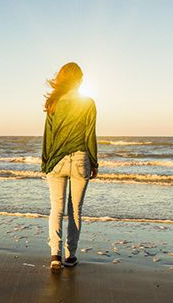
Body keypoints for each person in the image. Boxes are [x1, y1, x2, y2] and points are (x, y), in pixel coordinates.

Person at [41, 62, 98, 272]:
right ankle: (70, 256)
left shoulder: (54, 103)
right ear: (80, 80)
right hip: (80, 160)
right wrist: (94, 162)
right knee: (75, 210)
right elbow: (90, 135)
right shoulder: (88, 103)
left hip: (55, 161)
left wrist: (44, 162)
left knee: (56, 208)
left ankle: (54, 255)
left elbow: (47, 136)